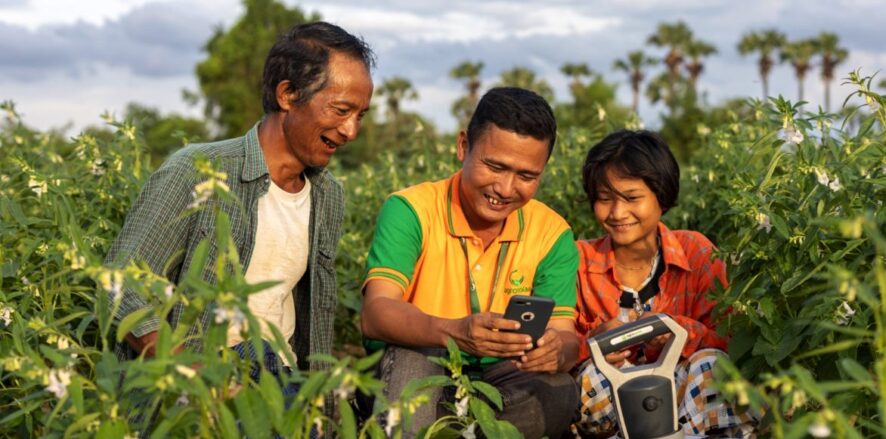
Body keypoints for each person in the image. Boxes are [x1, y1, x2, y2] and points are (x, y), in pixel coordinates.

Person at [107, 21, 373, 383]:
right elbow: (123, 284)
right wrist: (194, 374)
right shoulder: (199, 172)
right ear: (288, 95)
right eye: (341, 110)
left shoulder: (328, 195)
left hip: (282, 381)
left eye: (360, 116)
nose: (351, 131)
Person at [360, 87, 581, 438]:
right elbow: (376, 314)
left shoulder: (552, 234)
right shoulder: (411, 210)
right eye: (495, 167)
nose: (506, 188)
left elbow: (566, 337)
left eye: (527, 176)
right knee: (410, 372)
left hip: (499, 380)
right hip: (419, 361)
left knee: (558, 390)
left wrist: (556, 351)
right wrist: (457, 334)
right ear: (463, 146)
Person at [571, 130, 757, 437]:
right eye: (604, 199)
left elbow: (733, 343)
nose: (617, 213)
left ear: (662, 196)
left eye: (632, 198)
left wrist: (678, 331)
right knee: (592, 377)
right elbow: (560, 355)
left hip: (687, 401)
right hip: (612, 408)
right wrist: (592, 344)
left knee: (713, 367)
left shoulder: (695, 252)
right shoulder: (579, 261)